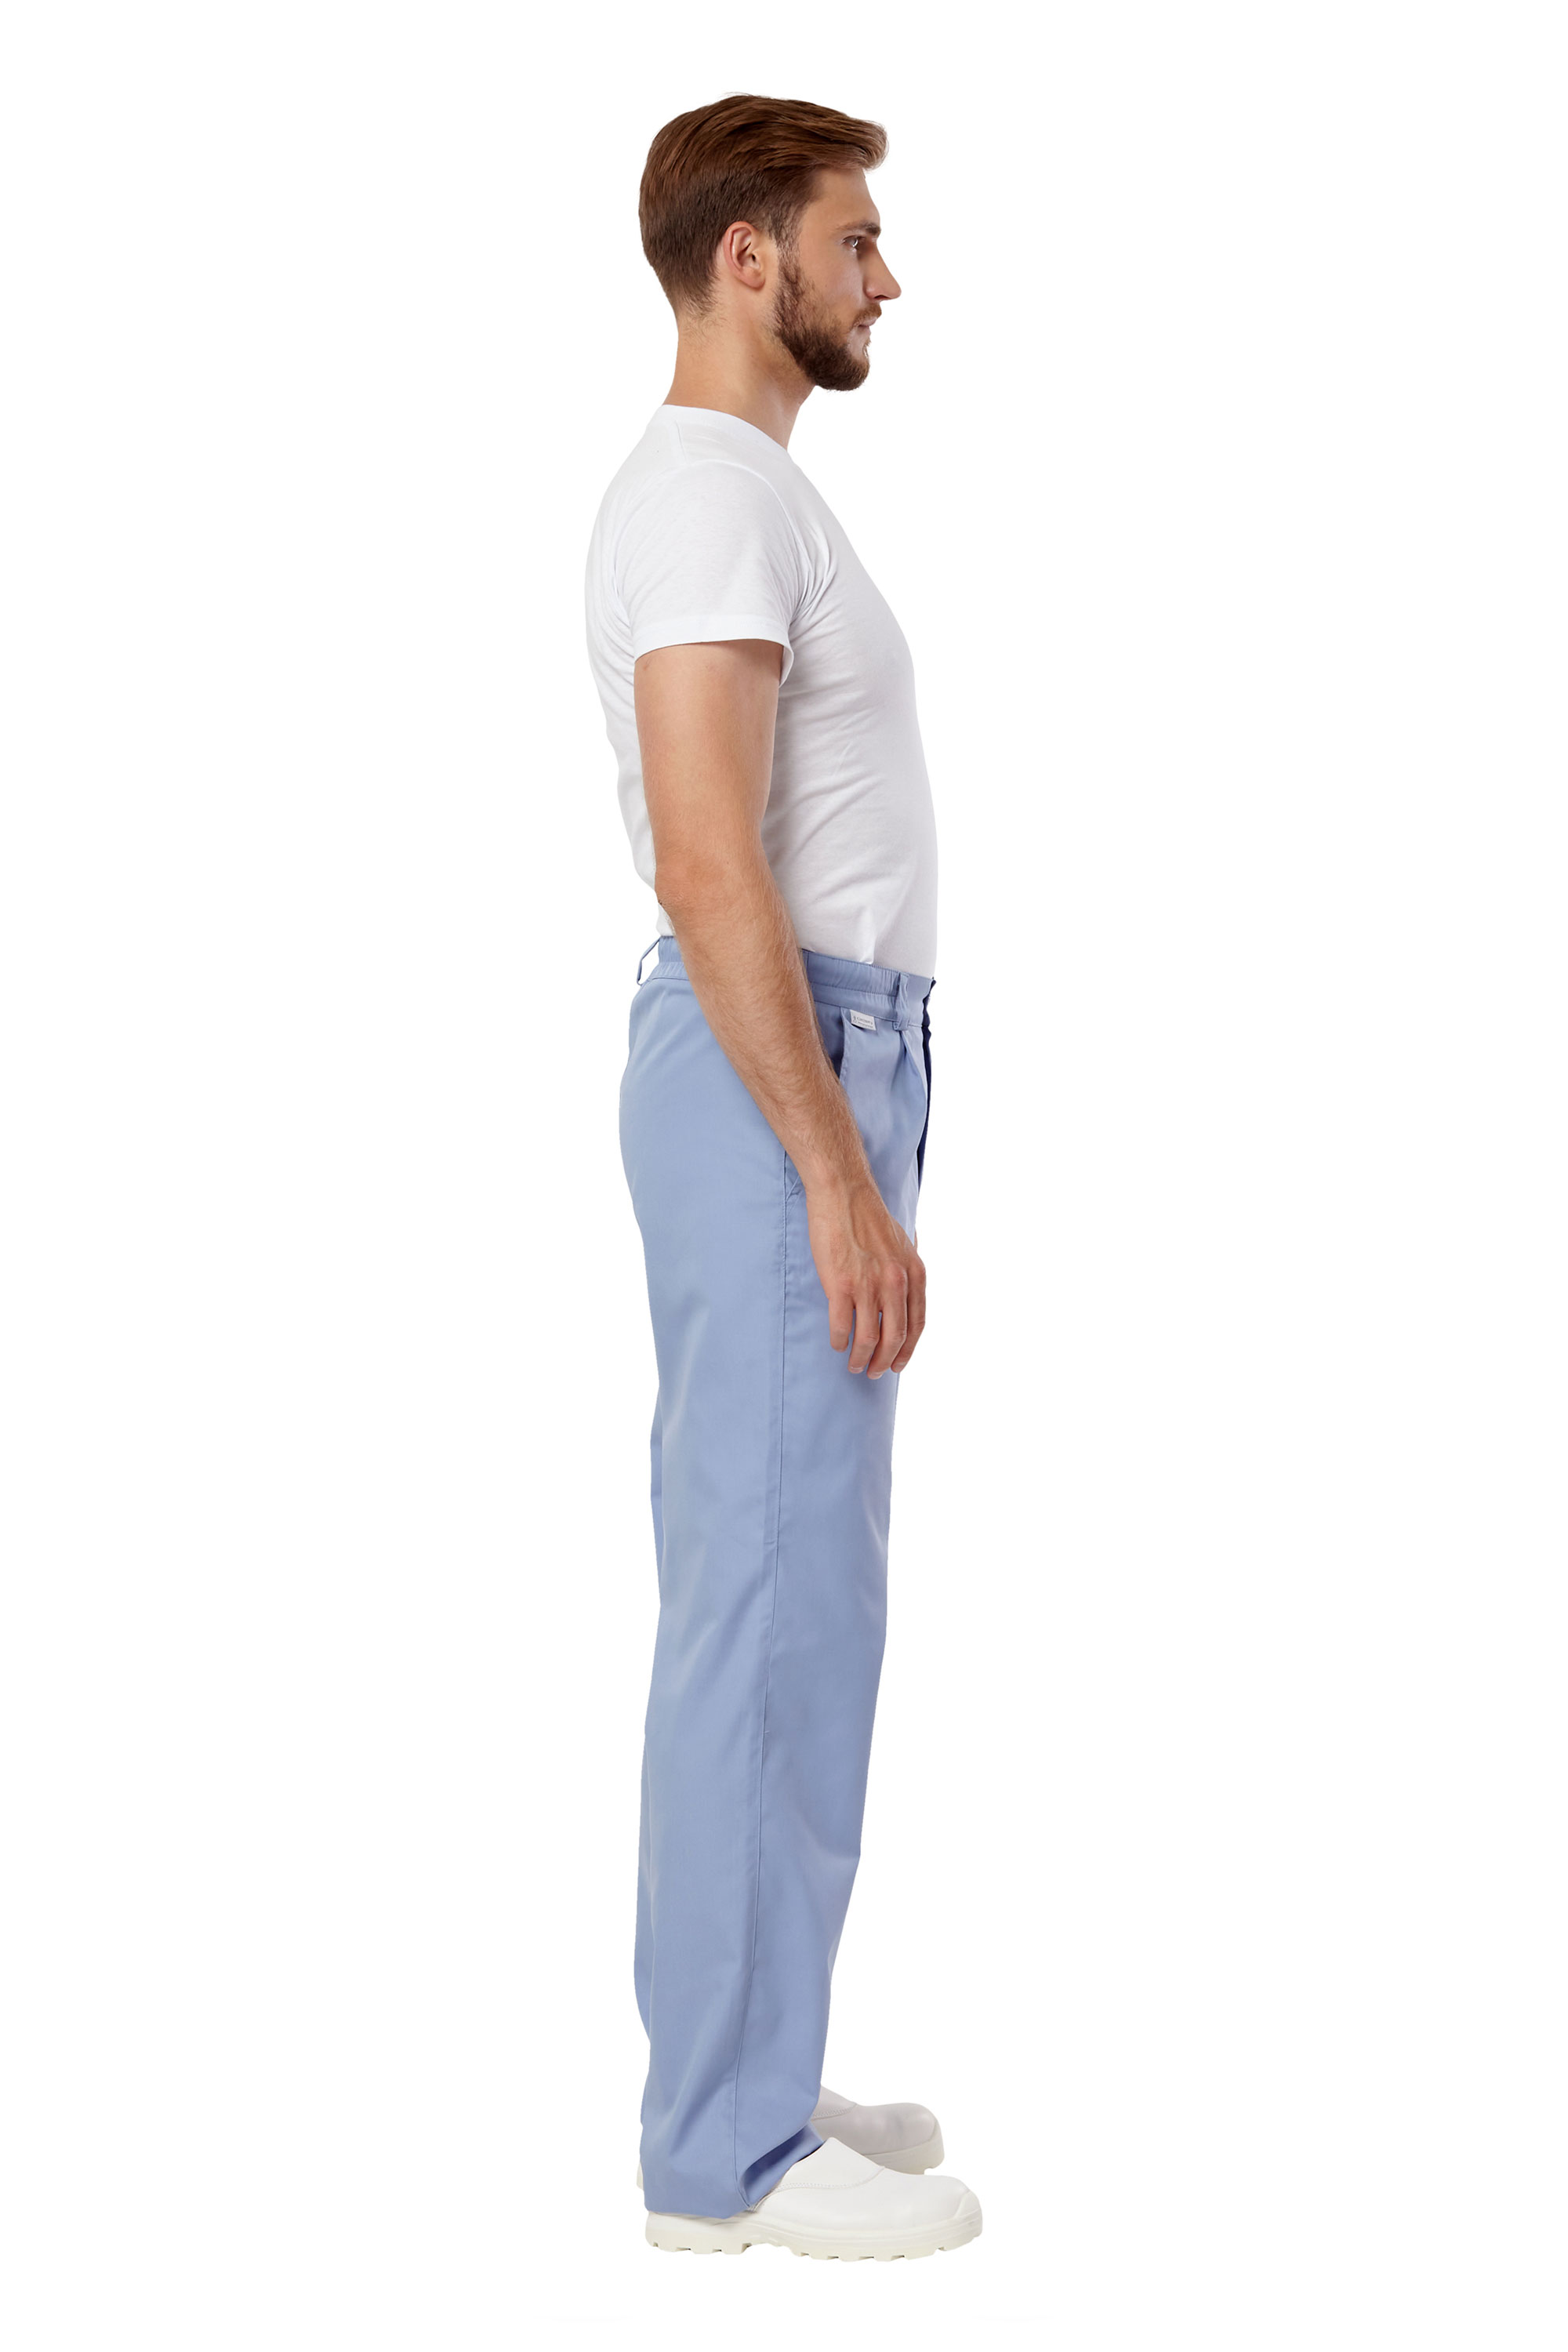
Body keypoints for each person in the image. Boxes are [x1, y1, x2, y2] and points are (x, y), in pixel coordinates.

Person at [584, 93, 981, 2261]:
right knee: (762, 1596)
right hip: (779, 1069)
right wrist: (832, 1167)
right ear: (750, 257)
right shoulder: (710, 499)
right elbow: (708, 859)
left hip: (814, 1061)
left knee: (802, 1594)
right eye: (855, 237)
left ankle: (751, 2054)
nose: (883, 277)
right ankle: (721, 2161)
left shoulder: (744, 498)